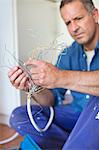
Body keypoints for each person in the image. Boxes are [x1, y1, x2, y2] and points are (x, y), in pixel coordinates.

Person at [8, 0, 99, 149]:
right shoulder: (67, 54)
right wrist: (33, 87)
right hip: (74, 116)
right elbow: (51, 100)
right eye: (68, 23)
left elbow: (59, 78)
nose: (74, 28)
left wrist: (60, 77)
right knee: (19, 116)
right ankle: (74, 143)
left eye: (78, 18)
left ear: (95, 15)